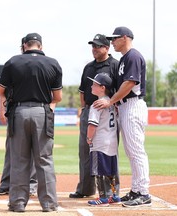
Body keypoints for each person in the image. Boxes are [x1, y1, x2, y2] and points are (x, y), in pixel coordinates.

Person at [0, 33, 62, 212]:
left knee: (19, 159)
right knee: (44, 160)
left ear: (25, 45)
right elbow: (58, 97)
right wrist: (47, 110)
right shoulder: (53, 63)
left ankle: (17, 203)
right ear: (40, 46)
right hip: (42, 111)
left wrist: (3, 109)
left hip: (19, 112)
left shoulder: (13, 62)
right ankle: (48, 203)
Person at [94, 26, 151, 207]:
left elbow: (130, 83)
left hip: (133, 105)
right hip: (126, 106)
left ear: (125, 38)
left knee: (136, 151)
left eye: (114, 39)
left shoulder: (133, 56)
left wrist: (111, 102)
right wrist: (117, 104)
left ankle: (143, 192)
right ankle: (136, 190)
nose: (112, 42)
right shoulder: (125, 58)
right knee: (131, 151)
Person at [69, 34, 120, 199]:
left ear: (107, 48)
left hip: (108, 111)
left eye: (98, 46)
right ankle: (85, 188)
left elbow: (120, 90)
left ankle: (112, 191)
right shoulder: (88, 67)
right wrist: (84, 108)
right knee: (85, 151)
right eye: (93, 46)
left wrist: (112, 104)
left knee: (109, 151)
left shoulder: (115, 65)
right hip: (90, 110)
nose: (94, 49)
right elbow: (83, 91)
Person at [0, 37, 38, 196]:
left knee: (33, 149)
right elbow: (2, 90)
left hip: (30, 110)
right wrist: (2, 110)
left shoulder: (42, 64)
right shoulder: (14, 64)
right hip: (15, 110)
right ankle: (6, 184)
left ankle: (31, 185)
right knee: (12, 149)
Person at [86, 73, 121, 206]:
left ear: (102, 87)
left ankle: (103, 197)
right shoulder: (110, 102)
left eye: (94, 84)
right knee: (111, 171)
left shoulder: (97, 104)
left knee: (99, 172)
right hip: (112, 142)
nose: (91, 86)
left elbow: (92, 125)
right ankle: (114, 195)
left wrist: (89, 138)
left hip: (100, 142)